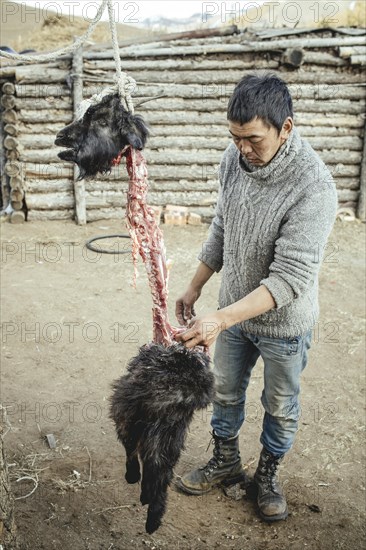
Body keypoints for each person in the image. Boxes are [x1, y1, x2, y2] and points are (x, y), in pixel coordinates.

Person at [174, 72, 338, 522]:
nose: (242, 149)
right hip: (232, 315)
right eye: (235, 137)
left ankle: (266, 474)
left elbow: (289, 279)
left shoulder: (314, 186)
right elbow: (223, 225)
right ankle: (226, 461)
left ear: (285, 128)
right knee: (224, 391)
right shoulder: (235, 159)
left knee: (280, 405)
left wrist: (219, 318)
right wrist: (195, 286)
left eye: (252, 139)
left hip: (284, 325)